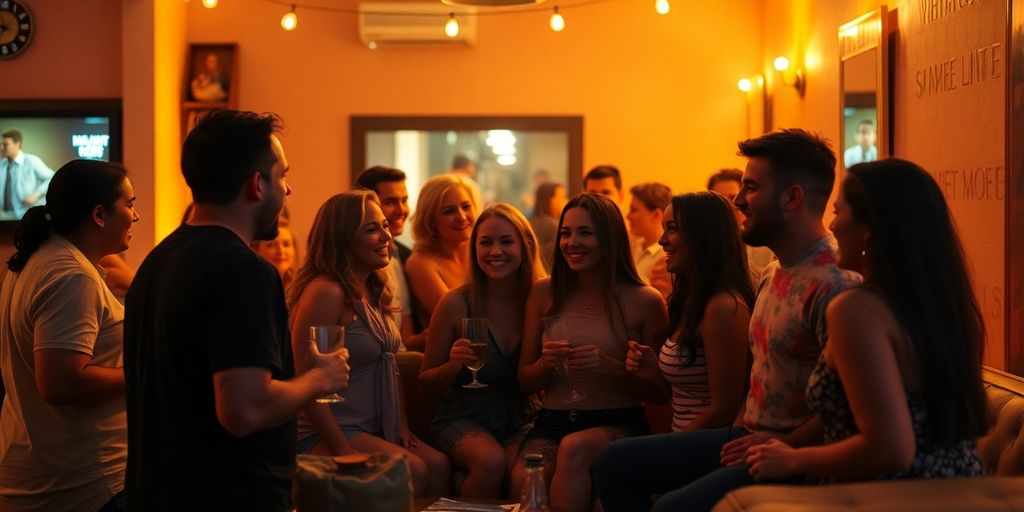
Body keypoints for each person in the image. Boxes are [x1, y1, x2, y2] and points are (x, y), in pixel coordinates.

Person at [592, 129, 860, 512]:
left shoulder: (834, 284)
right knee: (612, 462)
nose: (738, 200)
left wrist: (787, 445)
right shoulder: (773, 271)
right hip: (747, 433)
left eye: (751, 187)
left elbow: (850, 404)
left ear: (792, 197)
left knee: (671, 507)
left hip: (791, 452)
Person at [123, 110, 350, 511]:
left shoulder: (159, 260)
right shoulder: (244, 270)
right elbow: (244, 409)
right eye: (282, 176)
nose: (288, 190)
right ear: (257, 184)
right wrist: (318, 378)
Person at [745, 159, 989, 482]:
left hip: (888, 493)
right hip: (961, 485)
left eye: (837, 211)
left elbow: (892, 449)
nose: (831, 226)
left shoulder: (855, 310)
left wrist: (792, 458)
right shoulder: (944, 306)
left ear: (870, 227)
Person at [592, 191, 754, 508]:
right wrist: (653, 370)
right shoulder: (690, 300)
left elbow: (724, 407)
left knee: (610, 462)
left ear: (703, 235)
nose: (663, 240)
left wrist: (668, 445)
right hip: (685, 435)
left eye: (673, 229)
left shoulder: (723, 307)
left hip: (713, 444)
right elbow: (680, 393)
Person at [289, 190, 451, 497]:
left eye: (385, 226)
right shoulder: (326, 291)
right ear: (342, 238)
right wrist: (342, 448)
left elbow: (388, 365)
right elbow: (302, 379)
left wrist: (401, 426)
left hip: (369, 427)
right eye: (371, 229)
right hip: (325, 431)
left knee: (439, 465)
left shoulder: (372, 289)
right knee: (413, 469)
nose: (386, 236)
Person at [514, 193, 668, 512]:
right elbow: (525, 380)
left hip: (617, 420)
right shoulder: (544, 292)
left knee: (574, 447)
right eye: (566, 233)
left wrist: (611, 367)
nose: (572, 242)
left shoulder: (646, 301)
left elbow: (661, 393)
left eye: (585, 233)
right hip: (552, 420)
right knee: (526, 475)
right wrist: (546, 363)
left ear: (610, 238)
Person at [0, 159, 138, 511]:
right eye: (130, 205)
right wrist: (148, 372)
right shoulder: (71, 275)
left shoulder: (38, 259)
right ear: (99, 214)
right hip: (82, 485)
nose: (135, 217)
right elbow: (61, 384)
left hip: (49, 475)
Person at [419, 204, 545, 498]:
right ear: (474, 249)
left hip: (520, 418)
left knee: (523, 472)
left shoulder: (538, 301)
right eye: (485, 242)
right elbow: (425, 383)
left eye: (506, 241)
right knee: (490, 461)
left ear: (525, 246)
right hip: (462, 417)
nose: (495, 251)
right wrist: (452, 366)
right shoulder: (455, 303)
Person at [355, 165, 427, 351]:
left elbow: (405, 340)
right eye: (391, 202)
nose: (401, 210)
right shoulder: (357, 264)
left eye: (404, 200)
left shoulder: (404, 256)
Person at [405, 174, 477, 328]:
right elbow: (459, 320)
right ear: (430, 220)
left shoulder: (480, 250)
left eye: (466, 207)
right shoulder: (420, 263)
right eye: (449, 211)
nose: (462, 216)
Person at [708, 168, 774, 279]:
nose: (727, 205)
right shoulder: (699, 247)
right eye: (719, 199)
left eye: (732, 197)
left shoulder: (765, 246)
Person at [627, 183, 672, 298]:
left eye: (634, 210)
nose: (628, 216)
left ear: (656, 215)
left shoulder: (667, 257)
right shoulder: (632, 247)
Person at [0, 130, 55, 221]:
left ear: (17, 144)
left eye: (6, 144)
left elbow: (52, 177)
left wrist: (36, 194)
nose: (2, 147)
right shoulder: (2, 163)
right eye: (1, 144)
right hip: (4, 216)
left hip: (26, 216)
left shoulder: (31, 161)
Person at [529, 182, 567, 272]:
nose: (565, 200)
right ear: (549, 199)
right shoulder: (553, 225)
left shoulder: (529, 222)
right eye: (562, 197)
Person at [251, 223, 299, 290]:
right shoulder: (249, 287)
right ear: (255, 250)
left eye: (286, 244)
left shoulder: (303, 288)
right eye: (271, 245)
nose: (281, 251)